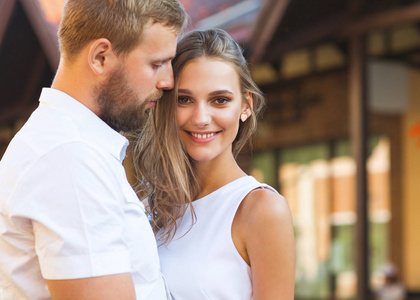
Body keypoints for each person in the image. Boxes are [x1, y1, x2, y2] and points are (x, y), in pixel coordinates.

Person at [0, 0, 187, 299]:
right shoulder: (70, 157)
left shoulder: (69, 147)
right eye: (156, 64)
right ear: (101, 57)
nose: (168, 81)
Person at [132, 28, 295, 299]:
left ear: (245, 106)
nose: (201, 118)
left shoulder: (262, 210)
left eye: (220, 100)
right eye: (185, 100)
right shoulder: (151, 208)